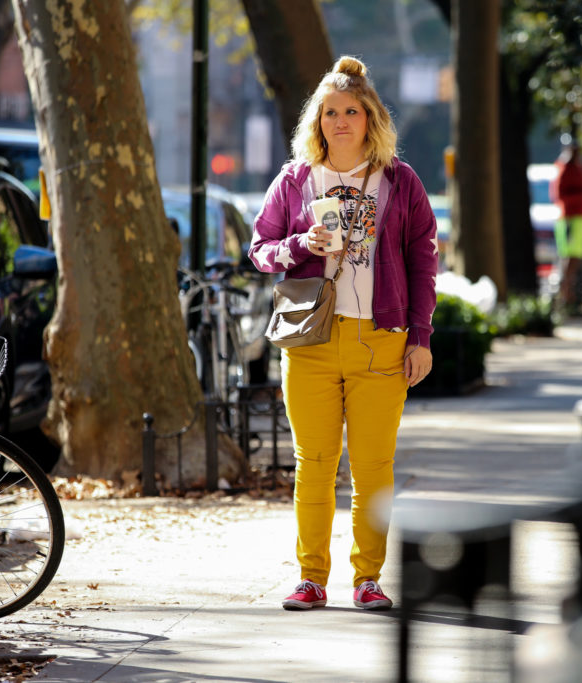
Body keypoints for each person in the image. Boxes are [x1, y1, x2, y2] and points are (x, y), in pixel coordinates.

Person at [248, 56, 438, 611]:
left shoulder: (400, 182)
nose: (340, 121)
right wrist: (299, 246)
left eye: (351, 110)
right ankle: (311, 577)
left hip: (381, 339)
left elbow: (423, 260)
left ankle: (368, 579)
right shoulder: (296, 179)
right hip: (309, 340)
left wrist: (420, 336)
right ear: (318, 120)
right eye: (329, 112)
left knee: (375, 467)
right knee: (314, 463)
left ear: (370, 117)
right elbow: (260, 250)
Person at [549, 142, 582, 311]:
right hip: (570, 218)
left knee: (576, 257)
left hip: (581, 217)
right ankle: (565, 297)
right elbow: (559, 196)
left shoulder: (578, 167)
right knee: (568, 258)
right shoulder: (564, 169)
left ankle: (570, 297)